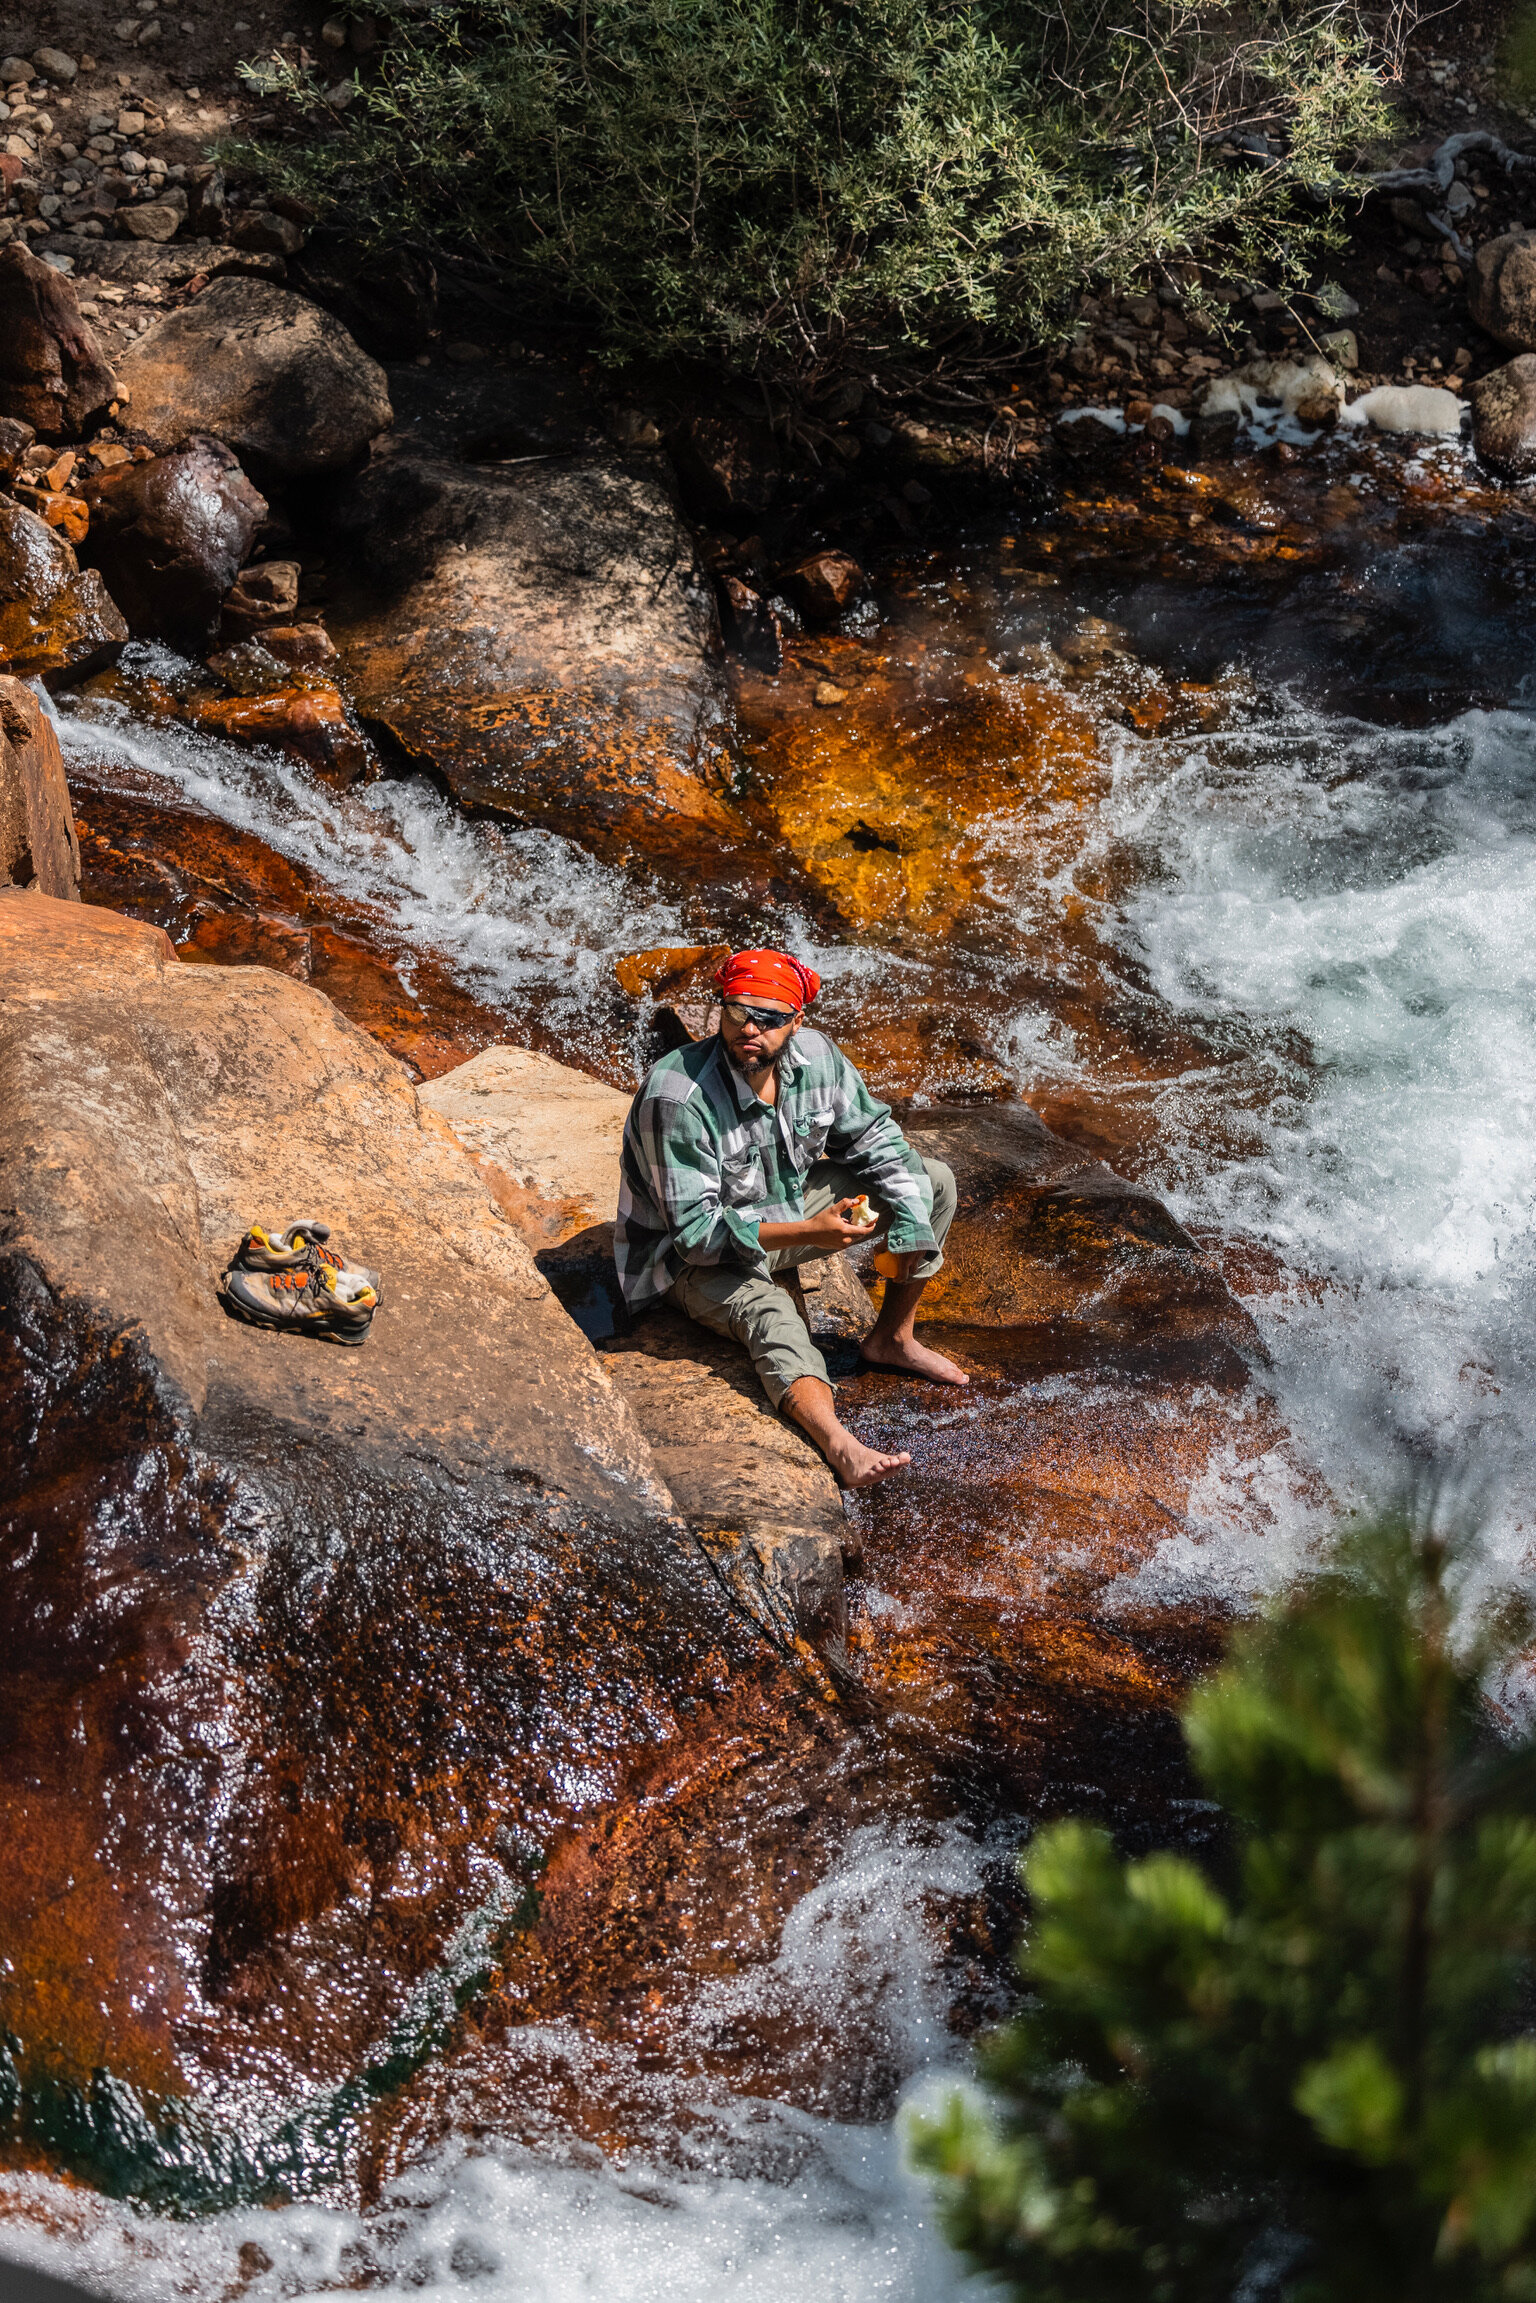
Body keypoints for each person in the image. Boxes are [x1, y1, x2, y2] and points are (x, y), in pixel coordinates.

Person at [615, 946, 966, 1488]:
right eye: (737, 1012)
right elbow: (695, 1238)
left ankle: (892, 1340)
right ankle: (839, 1443)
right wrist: (813, 1232)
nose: (749, 1029)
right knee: (774, 1315)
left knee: (931, 1182)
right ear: (720, 1009)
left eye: (771, 1018)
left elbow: (876, 1140)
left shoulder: (818, 1058)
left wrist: (912, 1229)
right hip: (686, 1258)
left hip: (779, 1205)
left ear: (797, 1022)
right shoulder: (678, 1098)